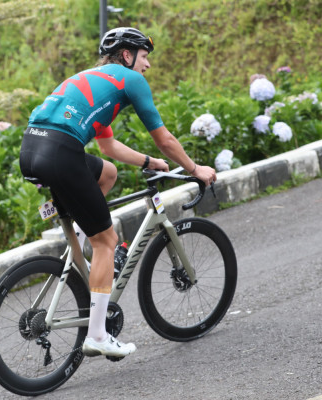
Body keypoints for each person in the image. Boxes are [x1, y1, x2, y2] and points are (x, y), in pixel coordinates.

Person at [19, 27, 217, 358]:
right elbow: (164, 138)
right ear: (127, 55)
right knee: (107, 241)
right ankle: (97, 335)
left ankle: (81, 243)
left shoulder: (95, 80)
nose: (147, 65)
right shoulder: (130, 80)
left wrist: (149, 162)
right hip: (61, 154)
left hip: (32, 151)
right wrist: (195, 169)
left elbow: (107, 147)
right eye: (144, 56)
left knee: (107, 173)